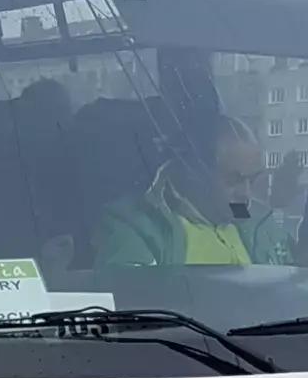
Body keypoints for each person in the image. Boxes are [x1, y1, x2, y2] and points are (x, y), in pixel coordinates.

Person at [91, 109, 292, 267]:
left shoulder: (256, 221)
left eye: (253, 180)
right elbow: (133, 310)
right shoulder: (137, 228)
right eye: (234, 180)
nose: (246, 194)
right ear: (193, 173)